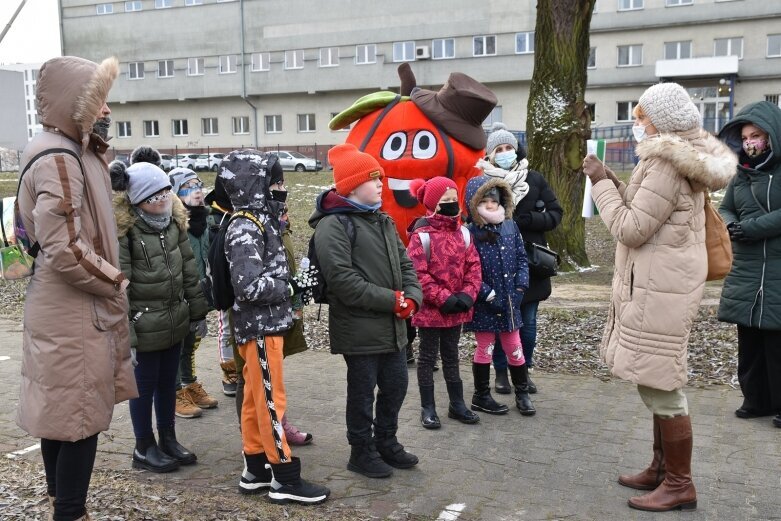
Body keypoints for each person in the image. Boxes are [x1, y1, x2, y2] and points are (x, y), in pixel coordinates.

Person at [581, 82, 736, 511]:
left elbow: (631, 227)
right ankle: (661, 469)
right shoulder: (669, 157)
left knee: (662, 383)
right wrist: (614, 179)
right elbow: (648, 210)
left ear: (661, 120)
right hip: (660, 281)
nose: (635, 123)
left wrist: (599, 183)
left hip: (661, 286)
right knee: (654, 375)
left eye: (641, 115)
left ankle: (679, 484)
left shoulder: (666, 163)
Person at [16, 56, 138, 521]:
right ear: (76, 102)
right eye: (98, 99)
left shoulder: (64, 147)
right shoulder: (61, 157)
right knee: (80, 415)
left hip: (61, 302)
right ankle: (70, 511)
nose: (107, 109)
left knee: (60, 410)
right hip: (73, 305)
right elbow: (66, 248)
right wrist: (115, 280)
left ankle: (58, 499)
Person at [221, 150, 329, 504]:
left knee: (255, 398)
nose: (282, 188)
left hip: (264, 325)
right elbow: (248, 285)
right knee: (271, 402)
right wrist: (289, 287)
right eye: (275, 182)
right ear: (256, 185)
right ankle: (284, 477)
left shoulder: (258, 220)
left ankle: (255, 469)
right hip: (259, 327)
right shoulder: (246, 226)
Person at [310, 143, 423, 479]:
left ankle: (386, 441)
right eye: (374, 179)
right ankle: (360, 451)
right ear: (352, 185)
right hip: (359, 328)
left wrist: (412, 297)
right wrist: (393, 300)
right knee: (361, 393)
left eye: (381, 178)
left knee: (397, 384)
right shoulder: (333, 226)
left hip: (392, 326)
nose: (381, 184)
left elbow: (406, 265)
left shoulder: (382, 220)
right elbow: (343, 281)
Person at [111, 161, 209, 473]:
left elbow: (190, 272)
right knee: (142, 387)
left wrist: (197, 312)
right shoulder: (125, 231)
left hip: (174, 320)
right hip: (143, 323)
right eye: (156, 194)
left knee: (168, 383)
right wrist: (127, 335)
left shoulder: (174, 223)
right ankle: (144, 446)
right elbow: (119, 286)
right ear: (139, 198)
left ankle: (168, 438)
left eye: (167, 191)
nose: (164, 198)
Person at [479, 123, 563, 395]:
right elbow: (473, 218)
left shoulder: (534, 180)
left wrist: (530, 219)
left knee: (527, 325)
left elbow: (555, 213)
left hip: (531, 264)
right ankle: (501, 373)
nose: (504, 153)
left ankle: (523, 371)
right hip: (495, 264)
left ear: (516, 150)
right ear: (490, 156)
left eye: (508, 148)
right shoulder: (484, 184)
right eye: (498, 149)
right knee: (500, 323)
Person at [716, 100, 781, 429]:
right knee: (750, 338)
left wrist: (753, 228)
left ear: (771, 136)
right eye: (745, 137)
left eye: (756, 135)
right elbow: (725, 208)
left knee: (776, 340)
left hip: (777, 267)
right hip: (748, 268)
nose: (750, 142)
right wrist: (730, 226)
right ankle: (756, 400)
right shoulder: (740, 174)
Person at [406, 176, 482, 429]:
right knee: (427, 357)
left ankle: (457, 404)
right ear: (432, 205)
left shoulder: (464, 233)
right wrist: (443, 297)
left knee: (452, 355)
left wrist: (468, 295)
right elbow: (418, 273)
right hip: (431, 310)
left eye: (453, 200)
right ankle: (427, 407)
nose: (451, 205)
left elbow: (474, 267)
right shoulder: (421, 235)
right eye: (445, 201)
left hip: (457, 308)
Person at [463, 176, 534, 416]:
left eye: (494, 199)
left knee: (515, 346)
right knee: (485, 347)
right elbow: (467, 269)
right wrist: (487, 293)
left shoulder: (510, 225)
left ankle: (522, 393)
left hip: (511, 301)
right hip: (486, 302)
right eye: (484, 200)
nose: (490, 205)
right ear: (474, 203)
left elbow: (522, 258)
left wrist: (520, 288)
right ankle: (481, 394)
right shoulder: (470, 232)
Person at [168, 166, 220, 417]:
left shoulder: (207, 220)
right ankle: (175, 391)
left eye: (198, 186)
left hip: (200, 292)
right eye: (188, 187)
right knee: (178, 342)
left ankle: (190, 384)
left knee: (192, 342)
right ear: (176, 193)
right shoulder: (173, 222)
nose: (197, 192)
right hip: (179, 293)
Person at [205, 176, 240, 397]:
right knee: (226, 325)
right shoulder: (215, 219)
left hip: (241, 279)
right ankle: (229, 372)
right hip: (223, 282)